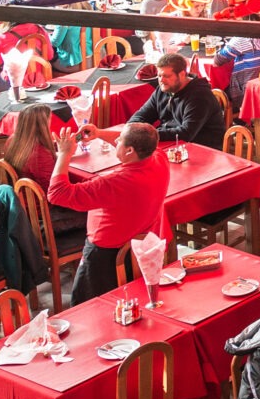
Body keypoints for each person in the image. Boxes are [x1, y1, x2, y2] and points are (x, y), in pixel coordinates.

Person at [48, 122, 171, 304]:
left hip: (104, 256)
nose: (117, 139)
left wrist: (64, 154)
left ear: (129, 151)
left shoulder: (113, 183)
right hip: (140, 246)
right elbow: (133, 143)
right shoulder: (160, 159)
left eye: (119, 139)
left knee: (89, 308)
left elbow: (57, 193)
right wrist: (99, 133)